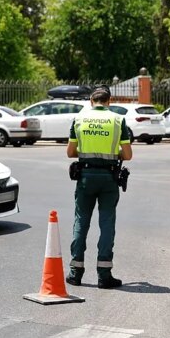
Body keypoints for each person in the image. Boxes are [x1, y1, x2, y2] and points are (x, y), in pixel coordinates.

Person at [65, 85, 132, 289]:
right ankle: (104, 275)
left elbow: (70, 152)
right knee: (107, 224)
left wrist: (88, 153)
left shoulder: (78, 119)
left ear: (91, 101)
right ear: (109, 101)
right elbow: (127, 155)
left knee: (81, 222)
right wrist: (114, 154)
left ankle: (76, 273)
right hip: (108, 179)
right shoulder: (118, 120)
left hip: (85, 176)